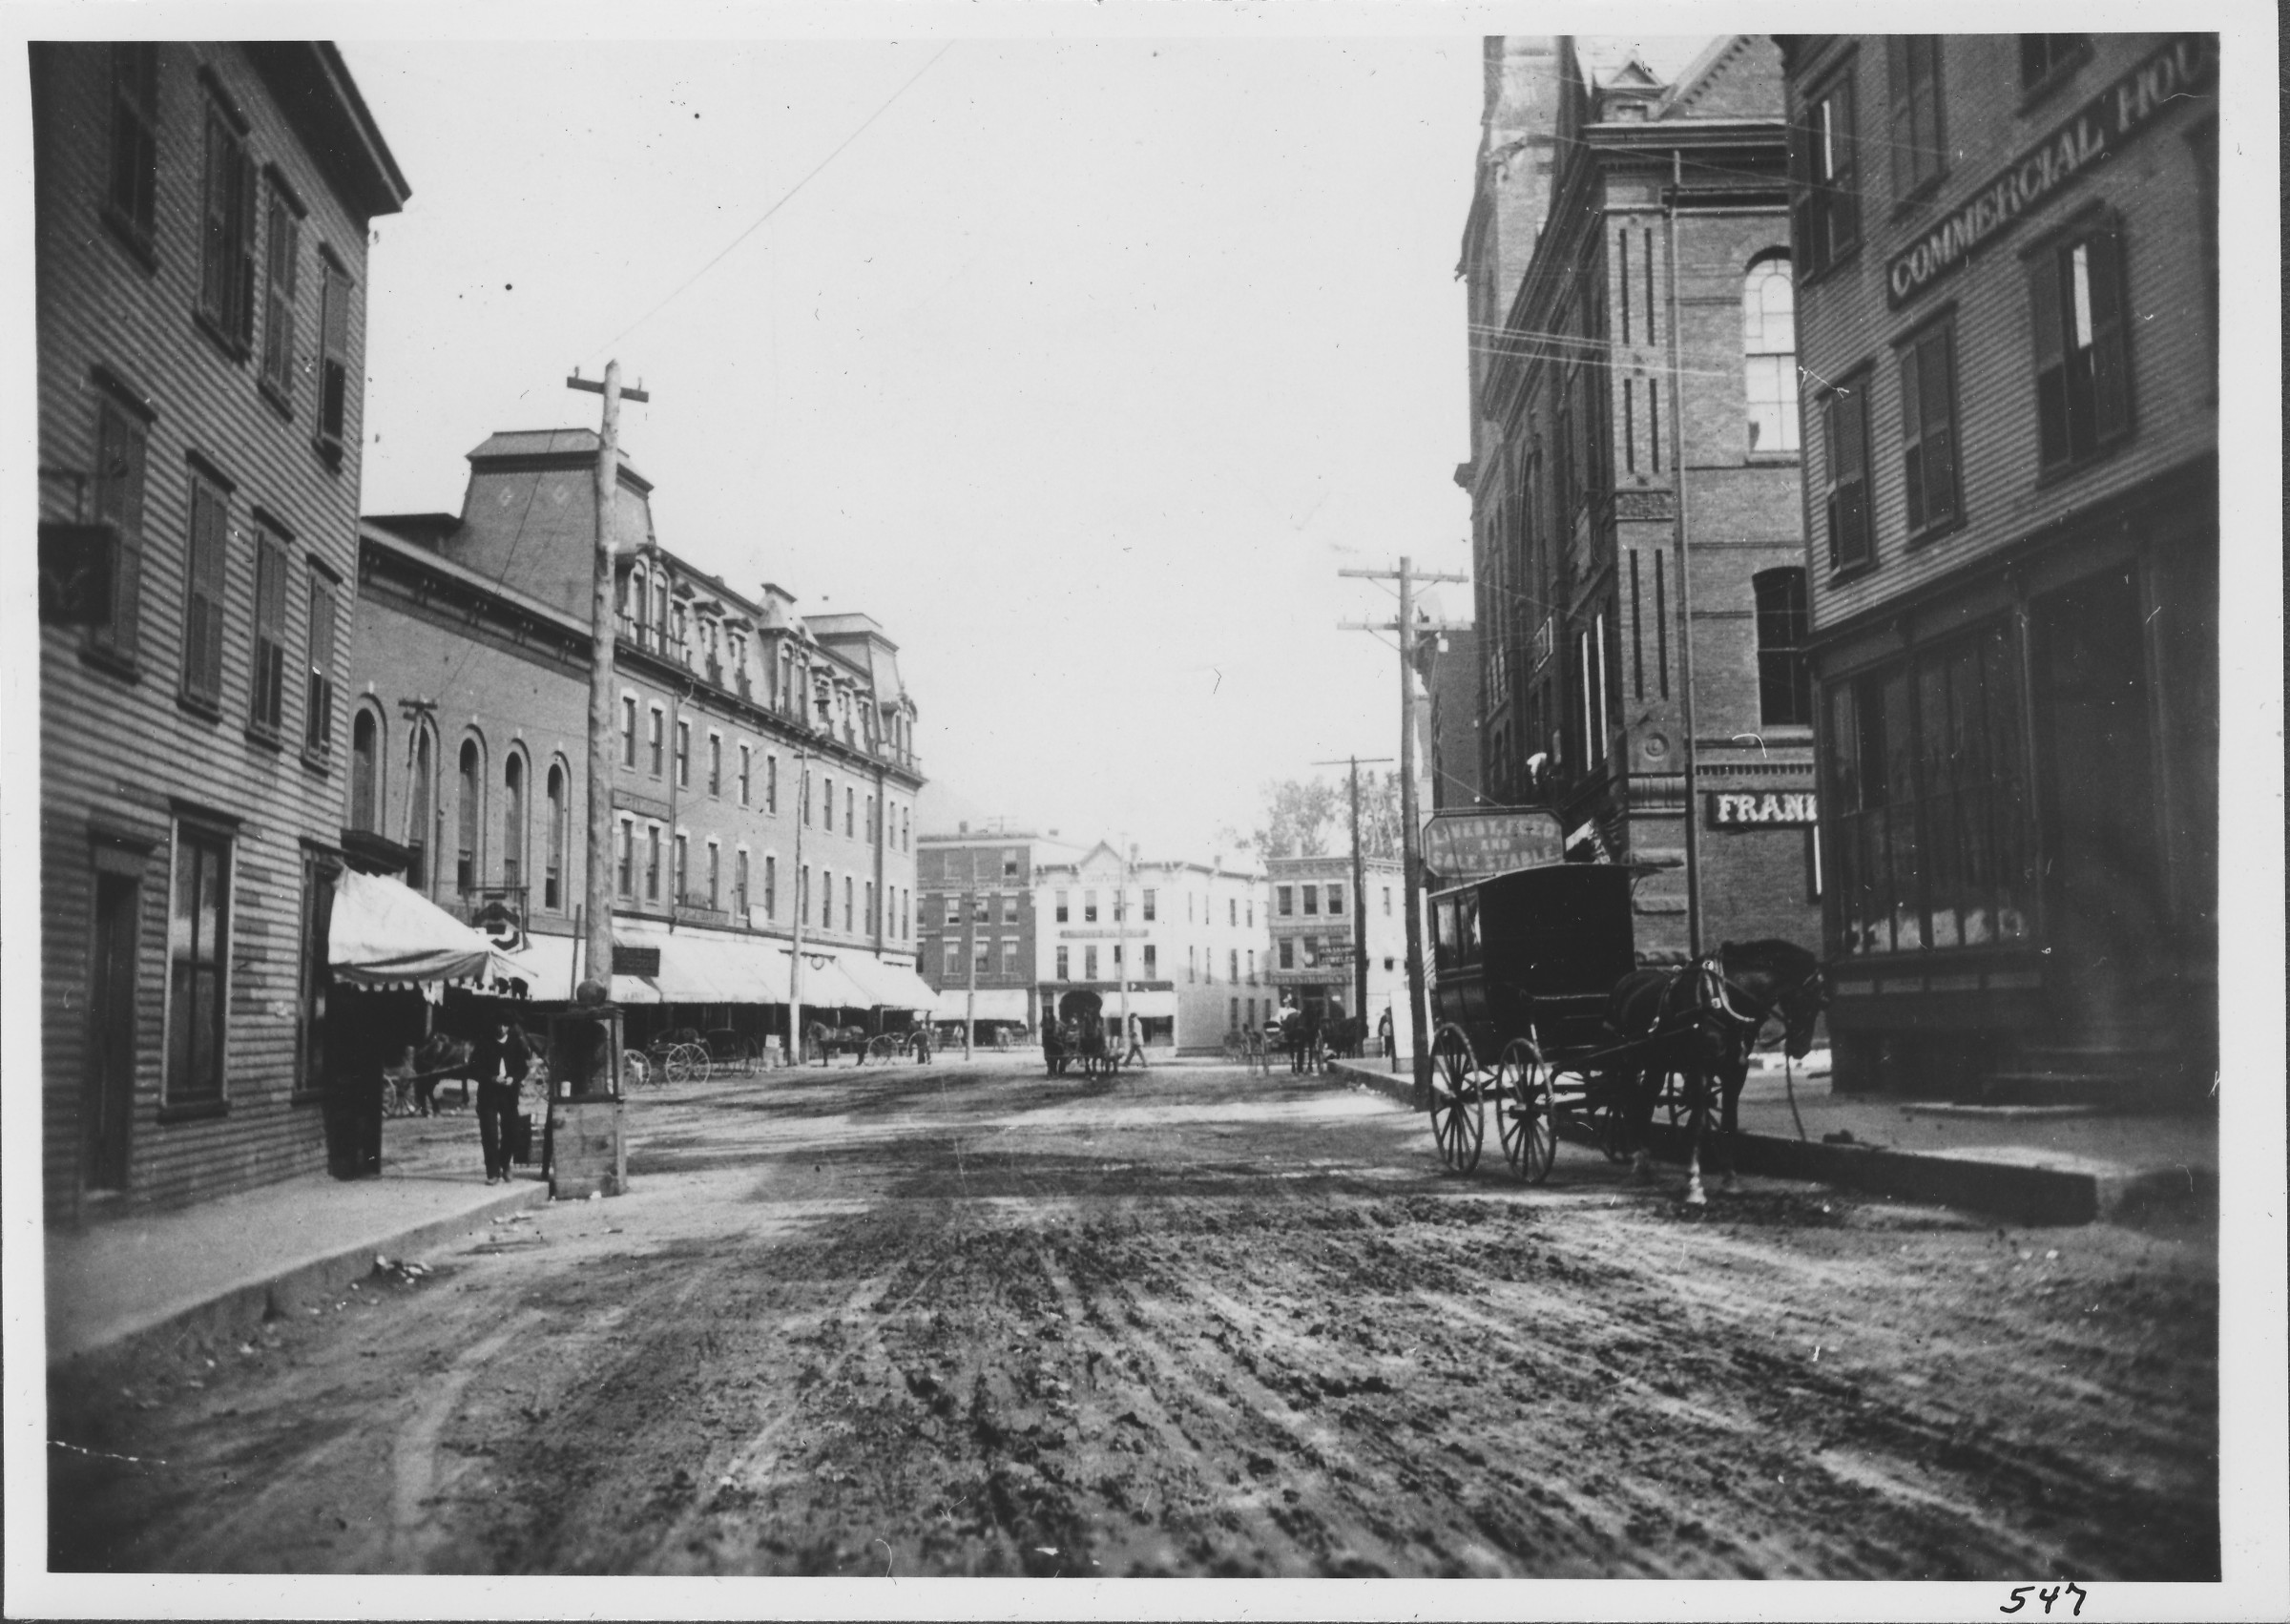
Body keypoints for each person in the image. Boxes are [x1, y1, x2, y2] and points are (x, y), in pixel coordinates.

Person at [468, 1018, 531, 1185]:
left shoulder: (516, 1043)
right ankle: (493, 1172)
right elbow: (473, 1069)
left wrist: (514, 1078)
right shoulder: (484, 1043)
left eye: (504, 1025)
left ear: (509, 1026)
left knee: (512, 1131)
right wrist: (491, 1078)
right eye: (498, 1024)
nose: (501, 1028)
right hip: (488, 1094)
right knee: (489, 1133)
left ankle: (505, 1163)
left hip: (509, 1094)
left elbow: (523, 1068)